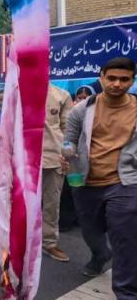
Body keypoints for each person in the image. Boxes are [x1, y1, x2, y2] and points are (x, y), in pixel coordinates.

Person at [65, 57, 137, 298]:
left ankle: (126, 292)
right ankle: (99, 254)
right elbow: (70, 138)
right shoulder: (82, 109)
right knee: (90, 230)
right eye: (112, 78)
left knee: (124, 237)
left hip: (125, 182)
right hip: (86, 181)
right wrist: (68, 154)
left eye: (124, 79)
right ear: (101, 78)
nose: (117, 84)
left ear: (132, 81)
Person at [41, 84, 73, 263]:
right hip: (24, 159)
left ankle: (49, 243)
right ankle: (21, 240)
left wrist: (67, 156)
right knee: (21, 203)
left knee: (52, 203)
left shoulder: (61, 95)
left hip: (53, 157)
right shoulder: (18, 92)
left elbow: (68, 129)